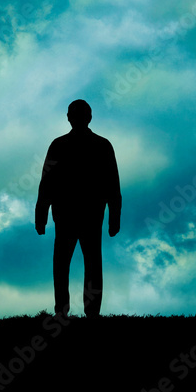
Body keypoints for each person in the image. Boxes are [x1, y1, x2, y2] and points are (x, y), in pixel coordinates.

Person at [34, 100, 121, 318]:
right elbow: (47, 181)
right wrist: (41, 214)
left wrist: (41, 214)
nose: (79, 118)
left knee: (72, 263)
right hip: (78, 214)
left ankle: (69, 311)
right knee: (82, 263)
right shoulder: (98, 144)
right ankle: (78, 311)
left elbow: (112, 182)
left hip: (75, 213)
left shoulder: (64, 144)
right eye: (77, 114)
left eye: (79, 114)